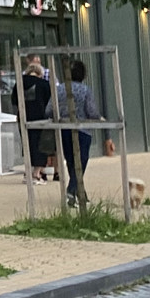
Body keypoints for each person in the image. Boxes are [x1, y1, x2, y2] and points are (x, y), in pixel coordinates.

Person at [59, 60, 98, 204]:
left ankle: (79, 191)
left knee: (71, 161)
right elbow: (92, 111)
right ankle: (72, 190)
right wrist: (98, 117)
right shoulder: (85, 90)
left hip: (64, 129)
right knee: (82, 160)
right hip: (83, 130)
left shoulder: (59, 89)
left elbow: (49, 109)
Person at [19, 55, 55, 181]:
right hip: (41, 118)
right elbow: (50, 101)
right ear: (39, 73)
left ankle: (28, 171)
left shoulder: (20, 83)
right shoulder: (44, 84)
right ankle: (36, 173)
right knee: (41, 145)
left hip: (24, 116)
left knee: (27, 144)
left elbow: (14, 100)